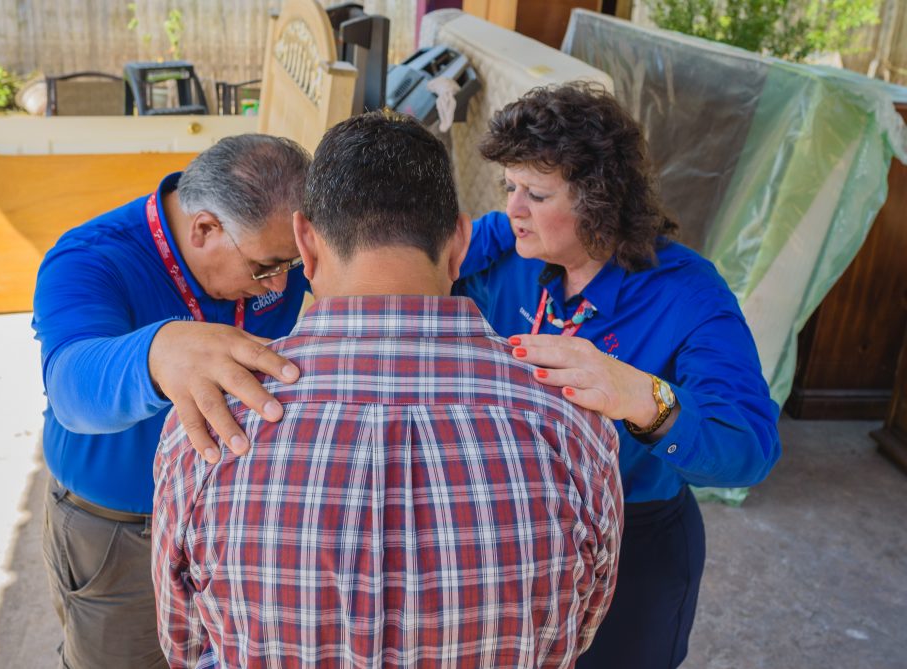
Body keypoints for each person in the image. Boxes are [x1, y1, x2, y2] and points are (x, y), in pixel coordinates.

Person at [152, 110, 624, 668]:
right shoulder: (571, 420)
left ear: (305, 243)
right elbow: (582, 622)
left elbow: (186, 644)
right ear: (458, 244)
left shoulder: (211, 425)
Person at [453, 82, 782, 668]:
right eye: (510, 187)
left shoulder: (689, 294)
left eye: (536, 193)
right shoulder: (507, 248)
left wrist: (639, 395)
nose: (513, 210)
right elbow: (400, 267)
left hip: (637, 544)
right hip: (517, 537)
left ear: (598, 199)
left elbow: (749, 448)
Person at [31, 134, 312, 668]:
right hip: (121, 529)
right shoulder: (89, 258)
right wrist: (158, 351)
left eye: (292, 266)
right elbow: (70, 386)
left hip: (236, 513)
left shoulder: (268, 248)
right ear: (204, 228)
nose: (279, 284)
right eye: (265, 267)